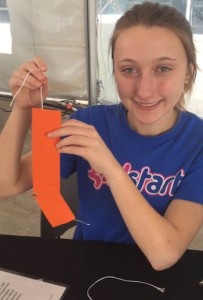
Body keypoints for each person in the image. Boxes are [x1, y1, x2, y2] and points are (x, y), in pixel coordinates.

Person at [0, 2, 203, 271]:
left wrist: (111, 169)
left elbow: (164, 254)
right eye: (129, 69)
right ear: (115, 72)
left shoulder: (197, 144)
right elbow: (6, 185)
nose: (144, 90)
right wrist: (23, 108)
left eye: (163, 68)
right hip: (87, 265)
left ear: (188, 72)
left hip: (155, 280)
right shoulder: (89, 123)